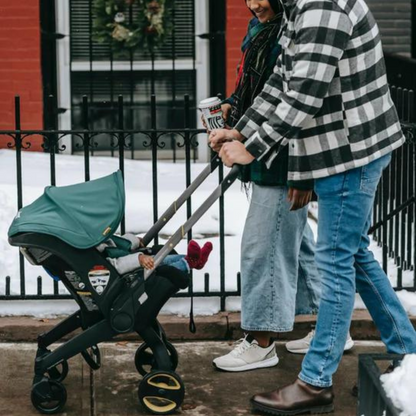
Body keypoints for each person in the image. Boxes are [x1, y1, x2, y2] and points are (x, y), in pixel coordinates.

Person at [210, 0, 416, 413]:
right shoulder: (299, 8)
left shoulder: (322, 6)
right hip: (339, 148)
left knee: (336, 258)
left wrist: (251, 146)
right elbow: (280, 84)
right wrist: (242, 127)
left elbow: (304, 94)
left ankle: (316, 380)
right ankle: (407, 354)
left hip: (351, 150)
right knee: (353, 253)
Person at [209, 0, 352, 374]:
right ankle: (332, 327)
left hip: (283, 153)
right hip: (261, 144)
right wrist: (233, 113)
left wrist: (298, 170)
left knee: (263, 246)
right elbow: (259, 90)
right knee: (293, 240)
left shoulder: (302, 27)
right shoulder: (267, 30)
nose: (254, 2)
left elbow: (300, 104)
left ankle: (262, 341)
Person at [96, 234, 213, 274]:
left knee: (163, 259)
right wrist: (139, 259)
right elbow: (112, 266)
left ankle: (196, 262)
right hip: (128, 272)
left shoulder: (91, 240)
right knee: (159, 270)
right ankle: (189, 263)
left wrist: (134, 240)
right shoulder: (89, 253)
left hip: (130, 260)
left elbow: (114, 242)